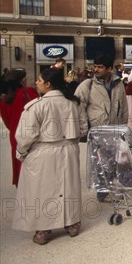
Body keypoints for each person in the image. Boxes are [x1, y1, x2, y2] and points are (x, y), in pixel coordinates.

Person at [13, 68, 86, 245]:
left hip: (43, 151)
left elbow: (25, 136)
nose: (36, 83)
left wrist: (21, 152)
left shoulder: (36, 106)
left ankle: (43, 229)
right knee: (68, 186)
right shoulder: (73, 103)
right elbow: (83, 128)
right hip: (69, 149)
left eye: (39, 80)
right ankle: (72, 223)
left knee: (43, 189)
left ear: (48, 84)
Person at [0, 69, 39, 186]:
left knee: (18, 161)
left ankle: (21, 185)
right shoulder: (30, 92)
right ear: (21, 81)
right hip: (32, 132)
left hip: (15, 134)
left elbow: (7, 123)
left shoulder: (4, 101)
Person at [75, 54, 128, 136]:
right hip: (96, 132)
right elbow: (78, 107)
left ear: (109, 69)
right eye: (95, 66)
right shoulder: (87, 85)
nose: (96, 69)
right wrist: (84, 128)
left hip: (116, 131)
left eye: (100, 67)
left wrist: (123, 126)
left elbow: (124, 106)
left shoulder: (118, 84)